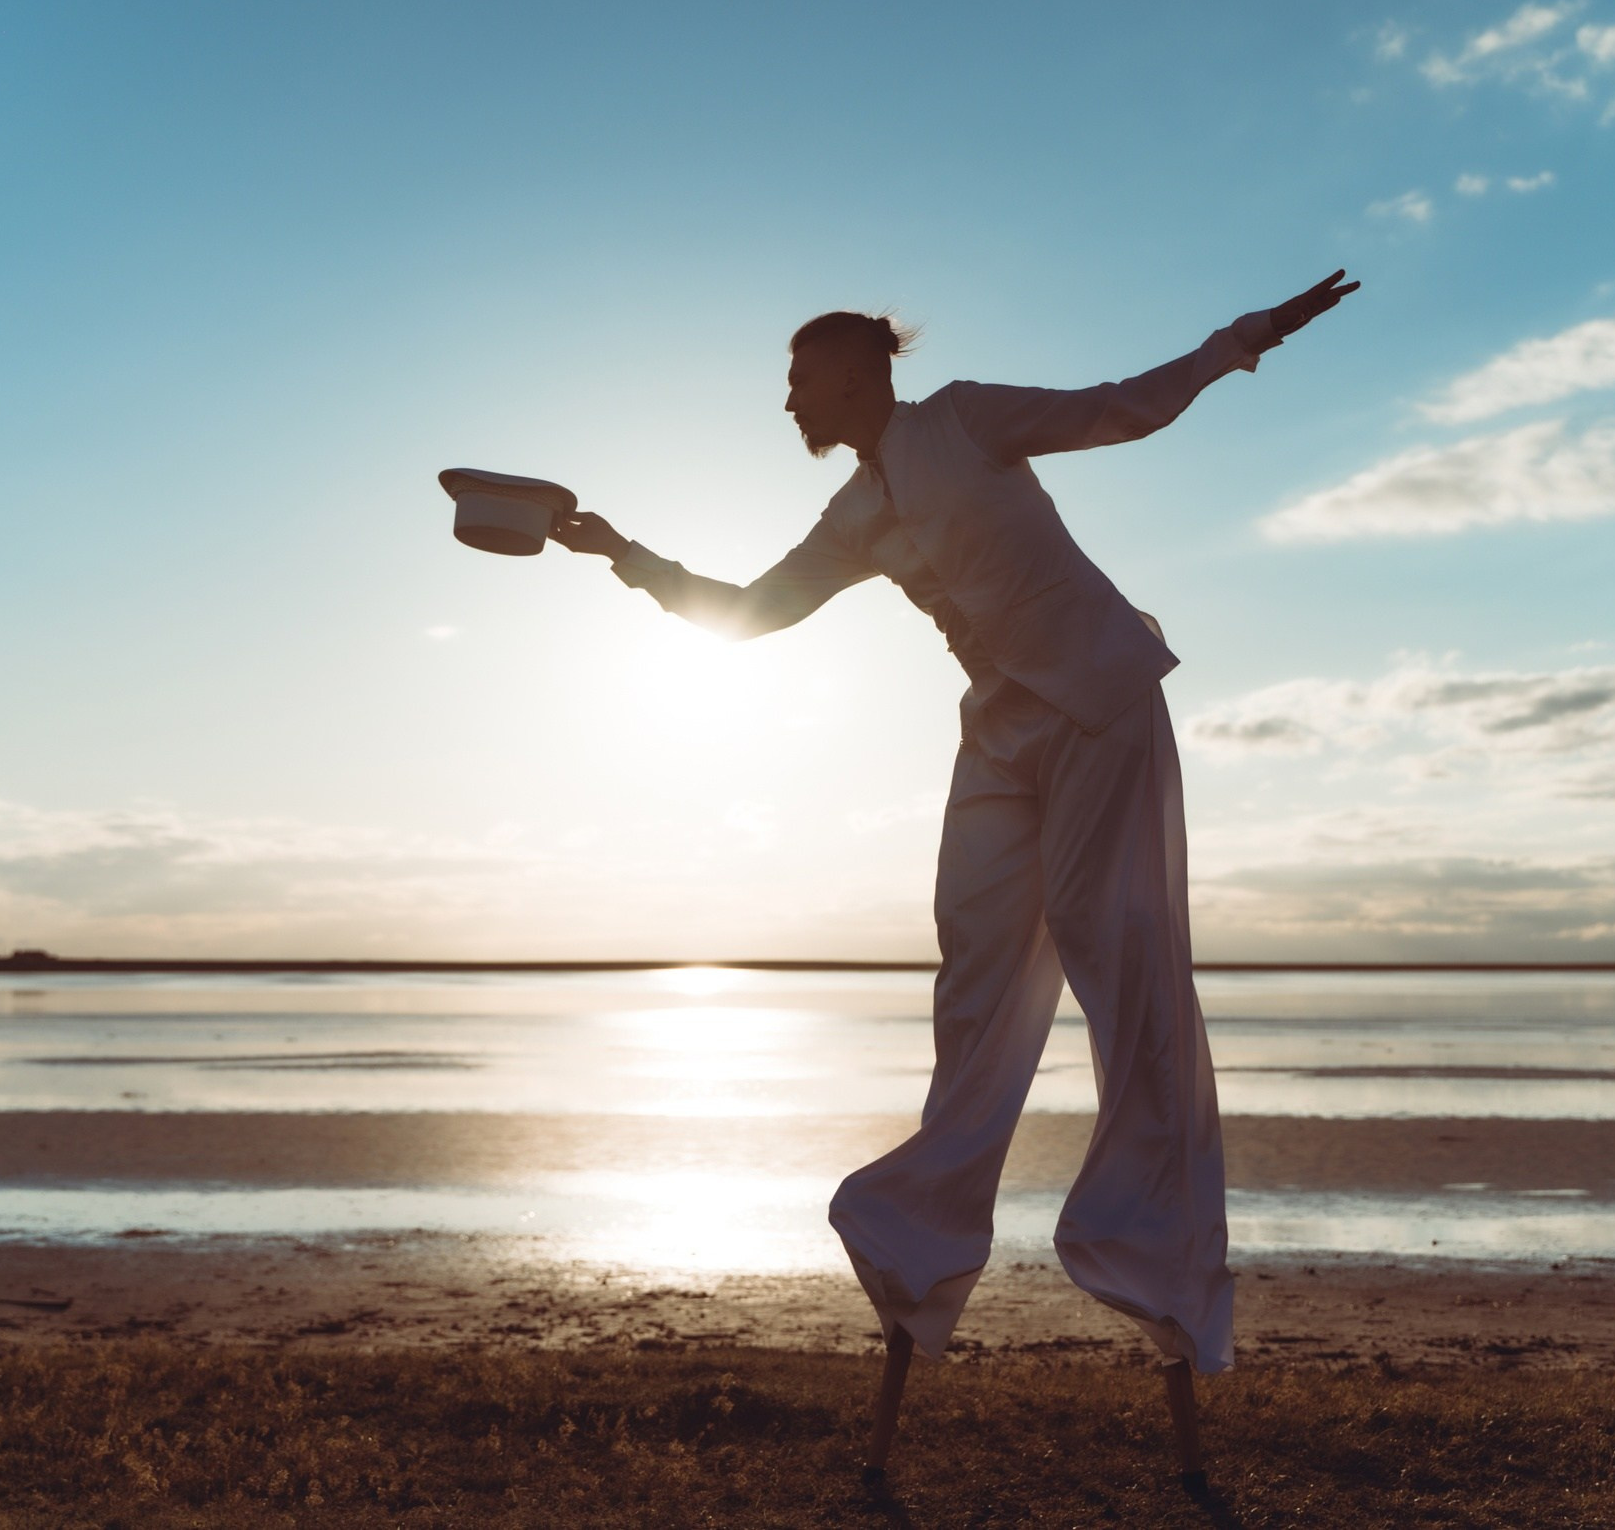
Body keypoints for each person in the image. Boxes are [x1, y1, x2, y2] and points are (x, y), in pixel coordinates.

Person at [549, 271, 1358, 1494]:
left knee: (1113, 955)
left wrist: (1241, 340)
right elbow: (754, 612)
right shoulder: (855, 514)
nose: (786, 400)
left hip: (1096, 703)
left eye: (801, 379)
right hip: (999, 739)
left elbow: (1120, 408)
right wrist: (623, 555)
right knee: (975, 995)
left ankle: (1148, 1254)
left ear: (862, 376)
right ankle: (915, 1239)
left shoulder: (965, 421)